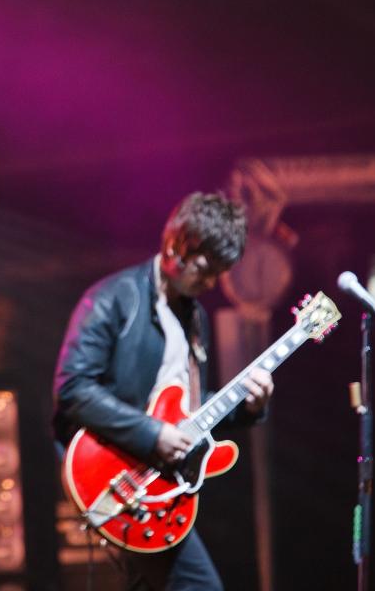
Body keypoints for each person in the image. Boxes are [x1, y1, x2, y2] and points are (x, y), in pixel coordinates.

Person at [52, 192, 273, 590]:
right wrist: (152, 434)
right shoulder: (113, 299)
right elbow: (73, 389)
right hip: (117, 474)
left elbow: (186, 411)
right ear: (174, 248)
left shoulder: (193, 315)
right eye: (206, 271)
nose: (210, 284)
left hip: (159, 482)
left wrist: (248, 406)